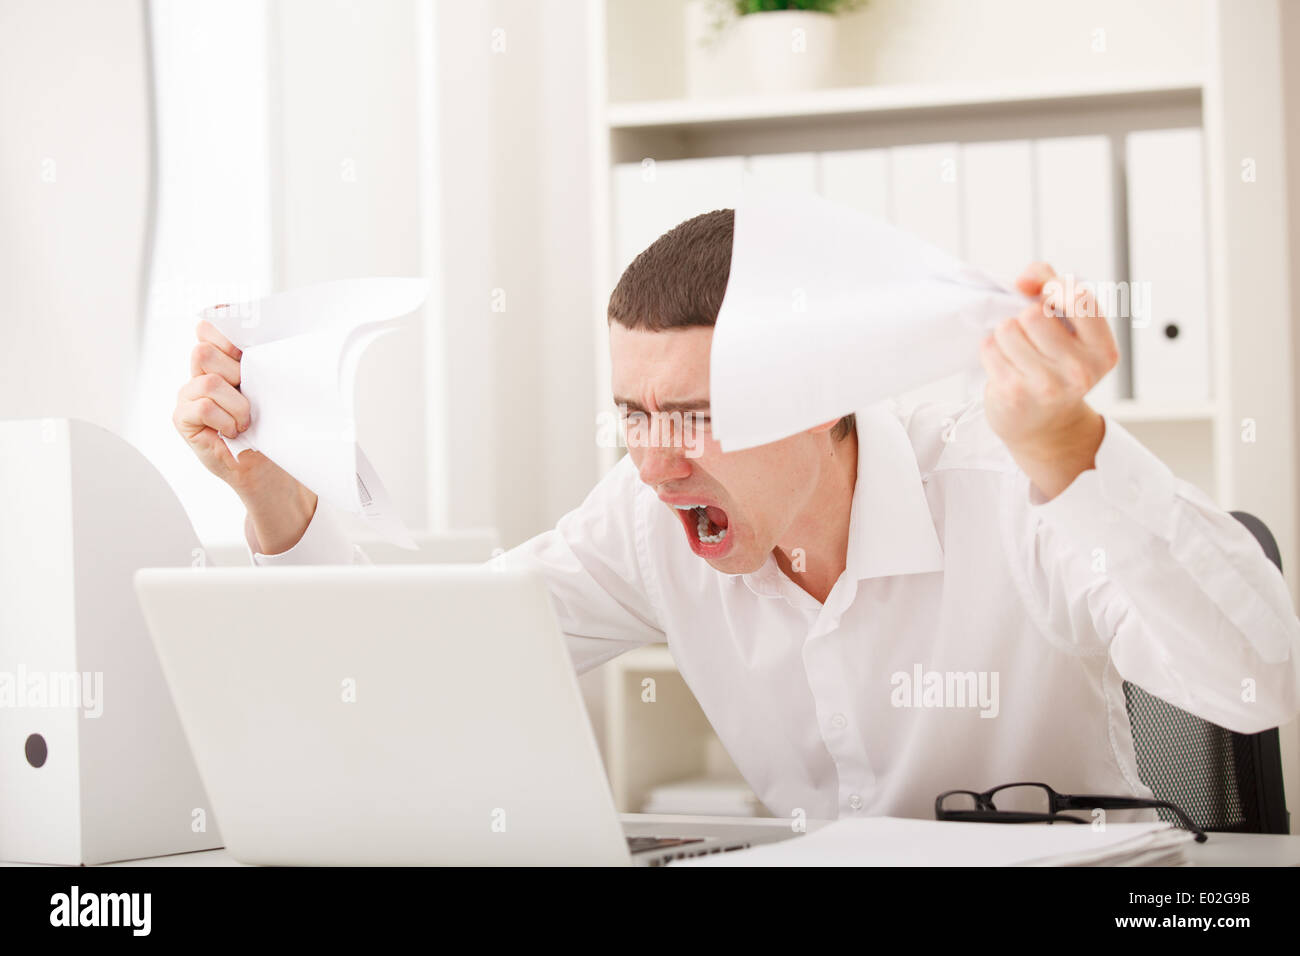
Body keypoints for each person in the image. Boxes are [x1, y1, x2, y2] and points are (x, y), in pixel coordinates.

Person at [172, 209, 1300, 821]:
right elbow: (432, 659)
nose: (655, 464)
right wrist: (273, 496)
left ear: (823, 405)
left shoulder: (1016, 479)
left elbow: (1258, 684)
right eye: (631, 413)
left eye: (697, 415)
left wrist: (1070, 451)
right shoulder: (643, 514)